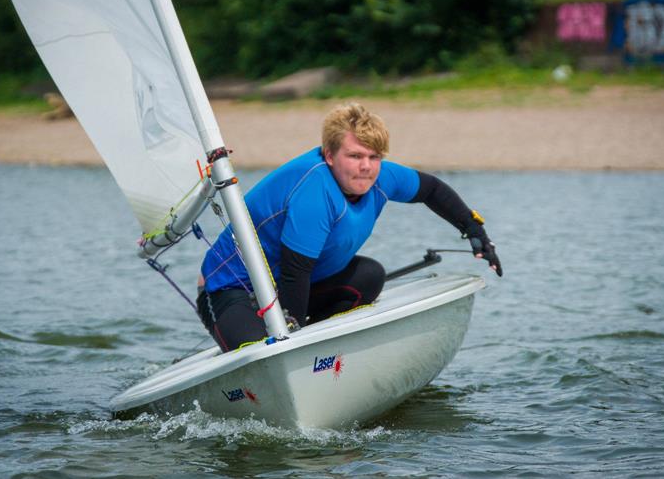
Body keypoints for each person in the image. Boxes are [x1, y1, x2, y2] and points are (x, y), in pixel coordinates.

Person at [197, 103, 501, 352]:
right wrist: (290, 340)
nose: (366, 166)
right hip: (229, 289)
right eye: (355, 156)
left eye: (374, 156)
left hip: (293, 285)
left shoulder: (382, 177)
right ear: (330, 156)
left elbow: (432, 191)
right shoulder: (315, 191)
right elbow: (295, 273)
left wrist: (476, 233)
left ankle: (325, 358)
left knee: (369, 276)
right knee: (259, 351)